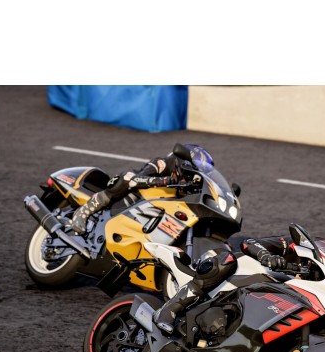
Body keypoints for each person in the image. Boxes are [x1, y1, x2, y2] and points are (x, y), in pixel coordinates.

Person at [152, 235, 289, 335]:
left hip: (278, 299)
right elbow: (249, 242)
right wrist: (267, 257)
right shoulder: (296, 246)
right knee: (225, 261)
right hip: (243, 273)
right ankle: (169, 310)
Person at [68, 143, 212, 232]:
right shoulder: (162, 163)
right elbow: (136, 180)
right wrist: (165, 181)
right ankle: (84, 211)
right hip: (133, 194)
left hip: (154, 211)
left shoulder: (187, 183)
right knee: (127, 178)